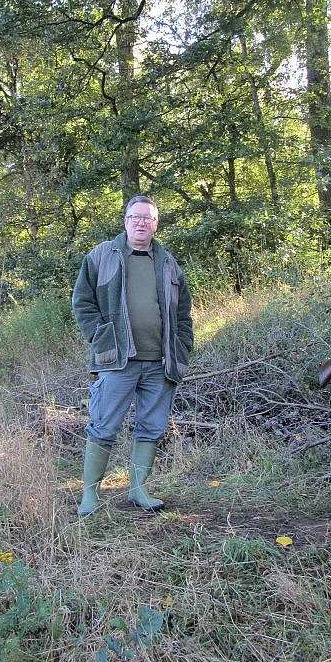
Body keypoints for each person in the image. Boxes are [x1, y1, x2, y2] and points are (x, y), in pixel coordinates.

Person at [72, 195, 194, 516]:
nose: (141, 223)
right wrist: (100, 336)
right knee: (103, 426)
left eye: (147, 218)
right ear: (125, 221)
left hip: (160, 363)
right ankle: (89, 496)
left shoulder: (168, 263)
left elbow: (183, 314)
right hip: (117, 360)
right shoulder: (101, 256)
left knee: (151, 427)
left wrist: (181, 348)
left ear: (156, 224)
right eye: (135, 217)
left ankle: (138, 491)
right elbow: (82, 302)